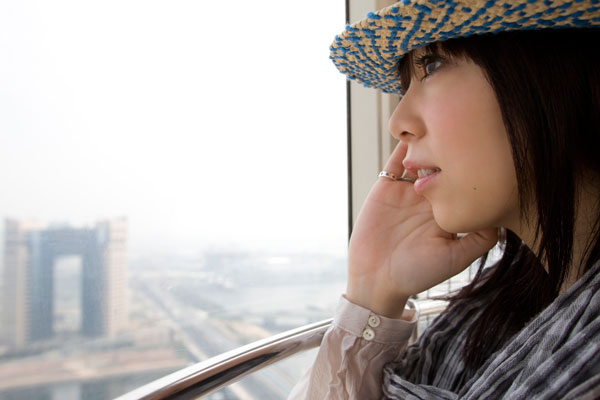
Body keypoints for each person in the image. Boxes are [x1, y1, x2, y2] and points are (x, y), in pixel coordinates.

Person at [288, 0, 600, 399]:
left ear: (557, 72)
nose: (397, 123)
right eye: (406, 85)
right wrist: (373, 285)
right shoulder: (498, 311)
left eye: (432, 65)